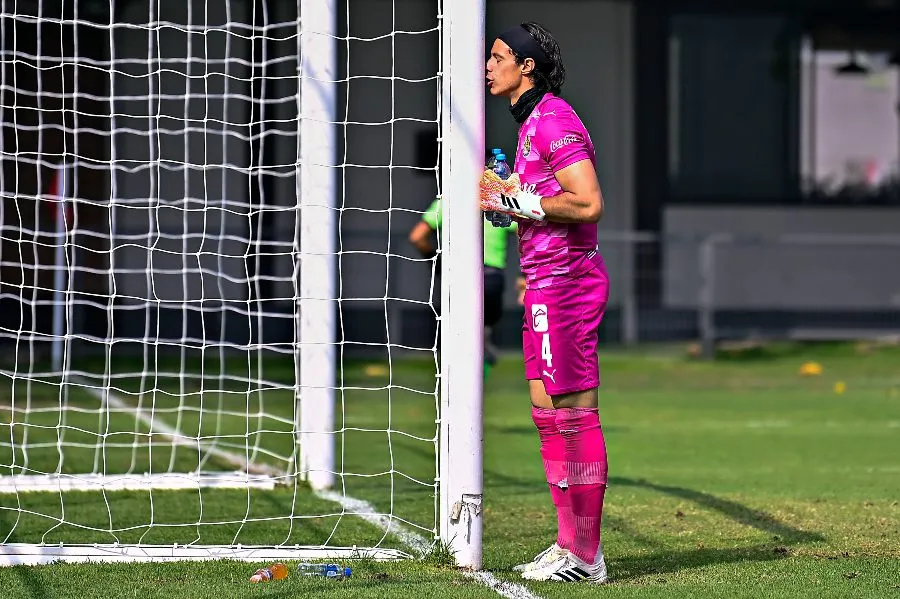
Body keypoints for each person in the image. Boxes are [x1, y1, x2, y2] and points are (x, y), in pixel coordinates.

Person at [480, 22, 610, 583]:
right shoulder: (531, 123)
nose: (488, 66)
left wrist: (515, 196)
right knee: (546, 411)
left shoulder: (555, 118)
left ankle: (587, 554)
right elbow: (539, 207)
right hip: (541, 282)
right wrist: (506, 205)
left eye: (498, 56)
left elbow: (587, 204)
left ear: (526, 67)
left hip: (569, 283)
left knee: (574, 414)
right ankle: (567, 544)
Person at [408, 196, 518, 380]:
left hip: (459, 275)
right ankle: (483, 353)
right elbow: (522, 231)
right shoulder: (495, 198)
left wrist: (437, 264)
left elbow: (417, 237)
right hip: (491, 277)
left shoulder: (447, 200)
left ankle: (465, 373)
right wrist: (524, 273)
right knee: (483, 329)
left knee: (459, 333)